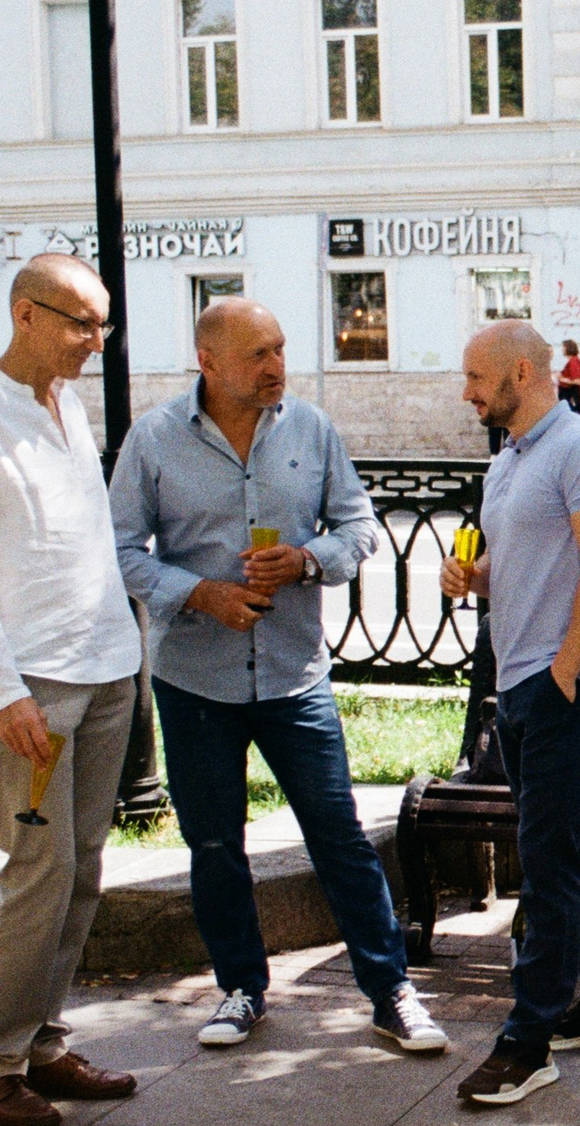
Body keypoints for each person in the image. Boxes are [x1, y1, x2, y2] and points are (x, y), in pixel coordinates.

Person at [109, 298, 447, 1056]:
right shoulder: (156, 439)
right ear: (209, 362)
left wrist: (305, 561)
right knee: (215, 843)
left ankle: (390, 989)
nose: (276, 366)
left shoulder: (311, 429)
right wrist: (200, 593)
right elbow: (123, 549)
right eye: (258, 354)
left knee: (339, 835)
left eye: (280, 349)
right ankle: (240, 988)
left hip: (295, 674)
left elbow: (359, 527)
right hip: (196, 675)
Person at [0, 253, 144, 1126]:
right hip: (32, 687)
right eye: (82, 323)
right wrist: (2, 690)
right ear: (25, 314)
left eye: (103, 325)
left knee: (81, 870)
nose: (96, 341)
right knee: (36, 872)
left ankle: (44, 1041)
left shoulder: (68, 403)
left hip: (103, 669)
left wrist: (123, 651)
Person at [442, 320, 580, 1106]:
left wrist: (564, 672)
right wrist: (477, 578)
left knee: (547, 857)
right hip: (523, 681)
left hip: (569, 684)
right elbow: (525, 563)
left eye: (474, 376)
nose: (466, 391)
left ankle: (529, 1038)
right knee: (572, 841)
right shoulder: (510, 461)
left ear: (520, 372)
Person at [556, 338, 580, 414]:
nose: (562, 350)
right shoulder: (573, 361)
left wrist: (561, 379)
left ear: (568, 348)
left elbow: (578, 381)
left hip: (573, 398)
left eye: (563, 348)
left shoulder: (573, 362)